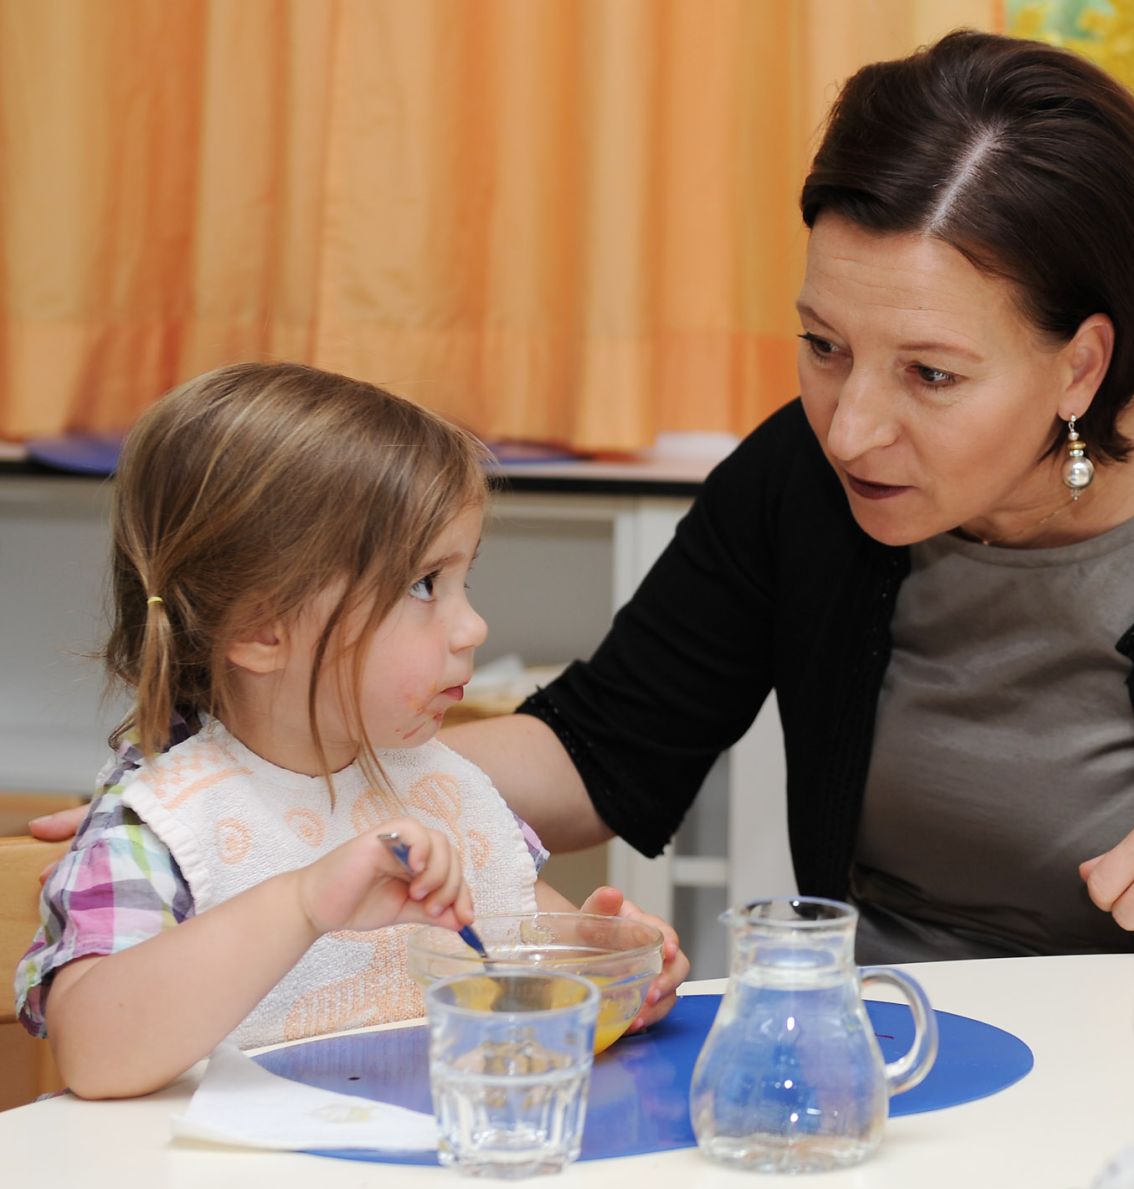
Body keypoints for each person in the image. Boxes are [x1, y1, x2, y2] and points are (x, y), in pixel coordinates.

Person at [33, 34, 1134, 966]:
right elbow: (603, 750)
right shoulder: (803, 481)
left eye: (931, 375)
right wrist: (241, 785)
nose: (853, 421)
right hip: (897, 1069)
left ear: (1081, 366)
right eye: (819, 343)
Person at [14, 363, 686, 1099]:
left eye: (466, 580)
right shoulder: (161, 824)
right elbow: (95, 1054)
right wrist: (303, 903)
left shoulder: (441, 786)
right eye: (423, 584)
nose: (474, 626)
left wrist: (604, 965)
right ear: (262, 629)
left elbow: (524, 949)